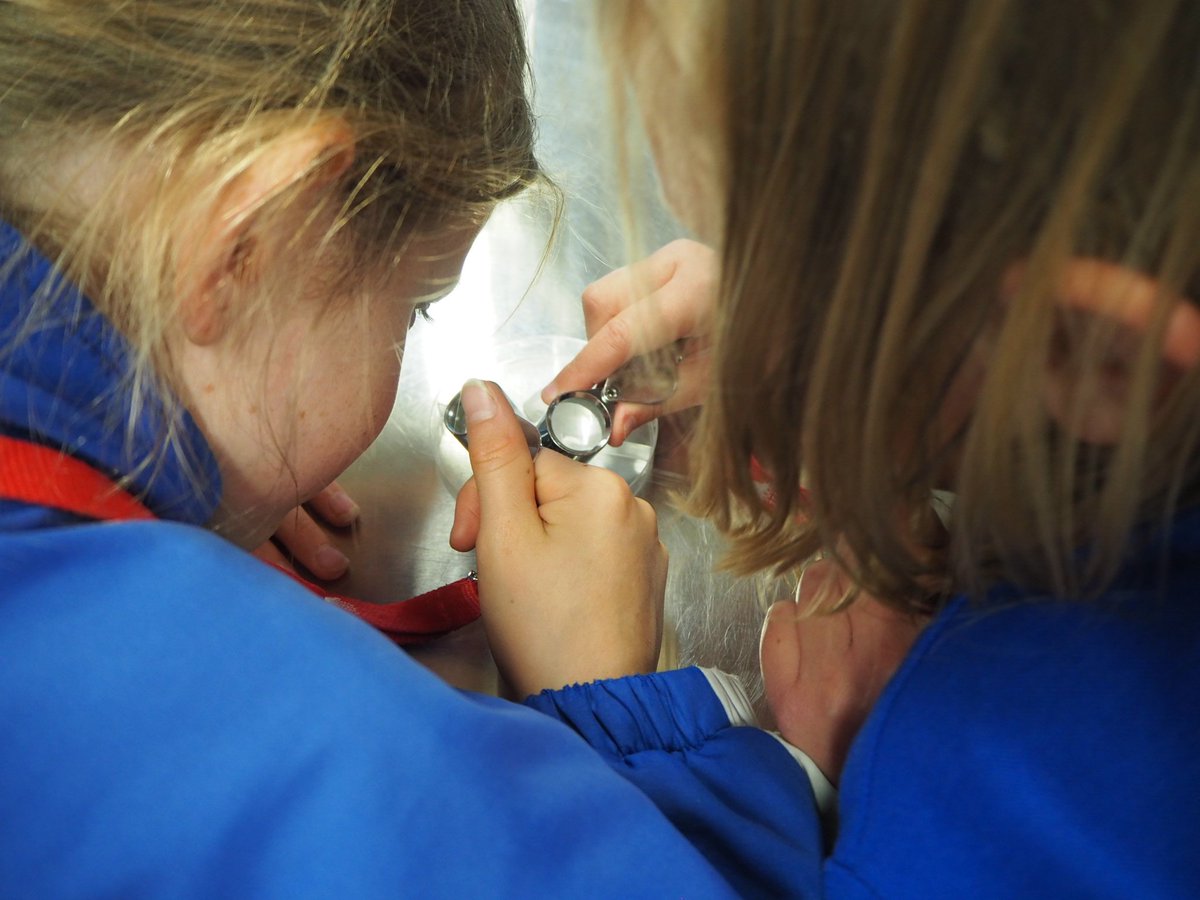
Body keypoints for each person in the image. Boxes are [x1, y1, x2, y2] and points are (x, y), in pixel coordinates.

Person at [0, 2, 832, 896]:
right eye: (417, 303)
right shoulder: (317, 749)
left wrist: (192, 432)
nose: (412, 327)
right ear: (250, 245)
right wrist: (617, 719)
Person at [516, 0, 1200, 894]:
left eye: (775, 261)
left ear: (1092, 353)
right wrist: (857, 345)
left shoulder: (1010, 787)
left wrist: (610, 713)